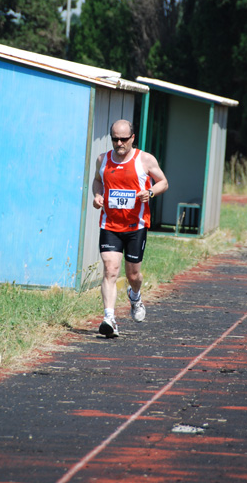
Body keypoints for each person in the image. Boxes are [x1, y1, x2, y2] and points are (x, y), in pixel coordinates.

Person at [92, 119, 168, 338]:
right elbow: (98, 181)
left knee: (133, 275)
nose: (119, 143)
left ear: (132, 138)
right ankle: (109, 319)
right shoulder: (102, 159)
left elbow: (163, 182)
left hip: (136, 226)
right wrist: (97, 195)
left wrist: (151, 192)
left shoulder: (145, 159)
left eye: (123, 139)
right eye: (114, 139)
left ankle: (135, 296)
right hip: (110, 224)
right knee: (110, 269)